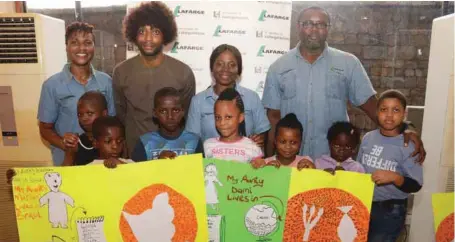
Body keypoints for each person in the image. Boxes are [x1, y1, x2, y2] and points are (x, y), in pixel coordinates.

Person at [262, 6, 425, 162]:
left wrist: (406, 128)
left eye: (321, 24)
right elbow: (273, 118)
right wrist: (269, 161)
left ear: (328, 28)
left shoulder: (348, 63)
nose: (314, 29)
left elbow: (371, 106)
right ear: (299, 27)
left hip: (334, 163)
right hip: (291, 162)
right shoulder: (279, 67)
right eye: (308, 24)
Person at [113, 1, 195, 157]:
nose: (148, 38)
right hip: (135, 155)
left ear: (165, 35)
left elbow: (186, 117)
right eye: (142, 31)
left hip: (174, 154)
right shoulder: (121, 72)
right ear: (134, 34)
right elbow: (121, 115)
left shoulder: (183, 73)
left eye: (155, 32)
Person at [38, 22, 115, 165]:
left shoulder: (106, 82)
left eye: (87, 43)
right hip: (67, 162)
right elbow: (44, 128)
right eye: (74, 43)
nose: (82, 48)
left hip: (101, 162)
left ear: (94, 47)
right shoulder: (52, 85)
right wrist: (65, 145)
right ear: (66, 46)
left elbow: (112, 122)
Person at [357, 90, 423, 242]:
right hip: (364, 204)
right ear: (377, 112)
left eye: (395, 110)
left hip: (390, 210)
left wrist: (394, 177)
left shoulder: (409, 145)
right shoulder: (368, 138)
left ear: (404, 114)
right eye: (384, 109)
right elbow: (358, 170)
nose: (389, 115)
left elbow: (416, 185)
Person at [186, 44, 270, 148]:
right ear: (212, 67)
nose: (225, 69)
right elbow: (192, 140)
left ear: (239, 69)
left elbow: (263, 132)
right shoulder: (198, 101)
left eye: (232, 65)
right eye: (220, 64)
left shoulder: (252, 98)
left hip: (246, 162)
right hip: (210, 162)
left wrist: (259, 138)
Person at [131, 87, 202, 161]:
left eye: (175, 110)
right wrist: (158, 163)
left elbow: (201, 171)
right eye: (163, 111)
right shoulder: (145, 143)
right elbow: (137, 172)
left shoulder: (194, 141)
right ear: (155, 113)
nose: (170, 116)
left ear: (183, 112)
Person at [203, 88, 263, 163]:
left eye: (228, 117)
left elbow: (258, 172)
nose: (222, 123)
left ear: (241, 117)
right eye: (218, 117)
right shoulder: (207, 145)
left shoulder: (252, 147)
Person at [62, 91, 108, 166]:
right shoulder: (78, 142)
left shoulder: (114, 138)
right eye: (80, 114)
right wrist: (69, 152)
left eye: (90, 113)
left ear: (104, 114)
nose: (84, 118)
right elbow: (65, 172)